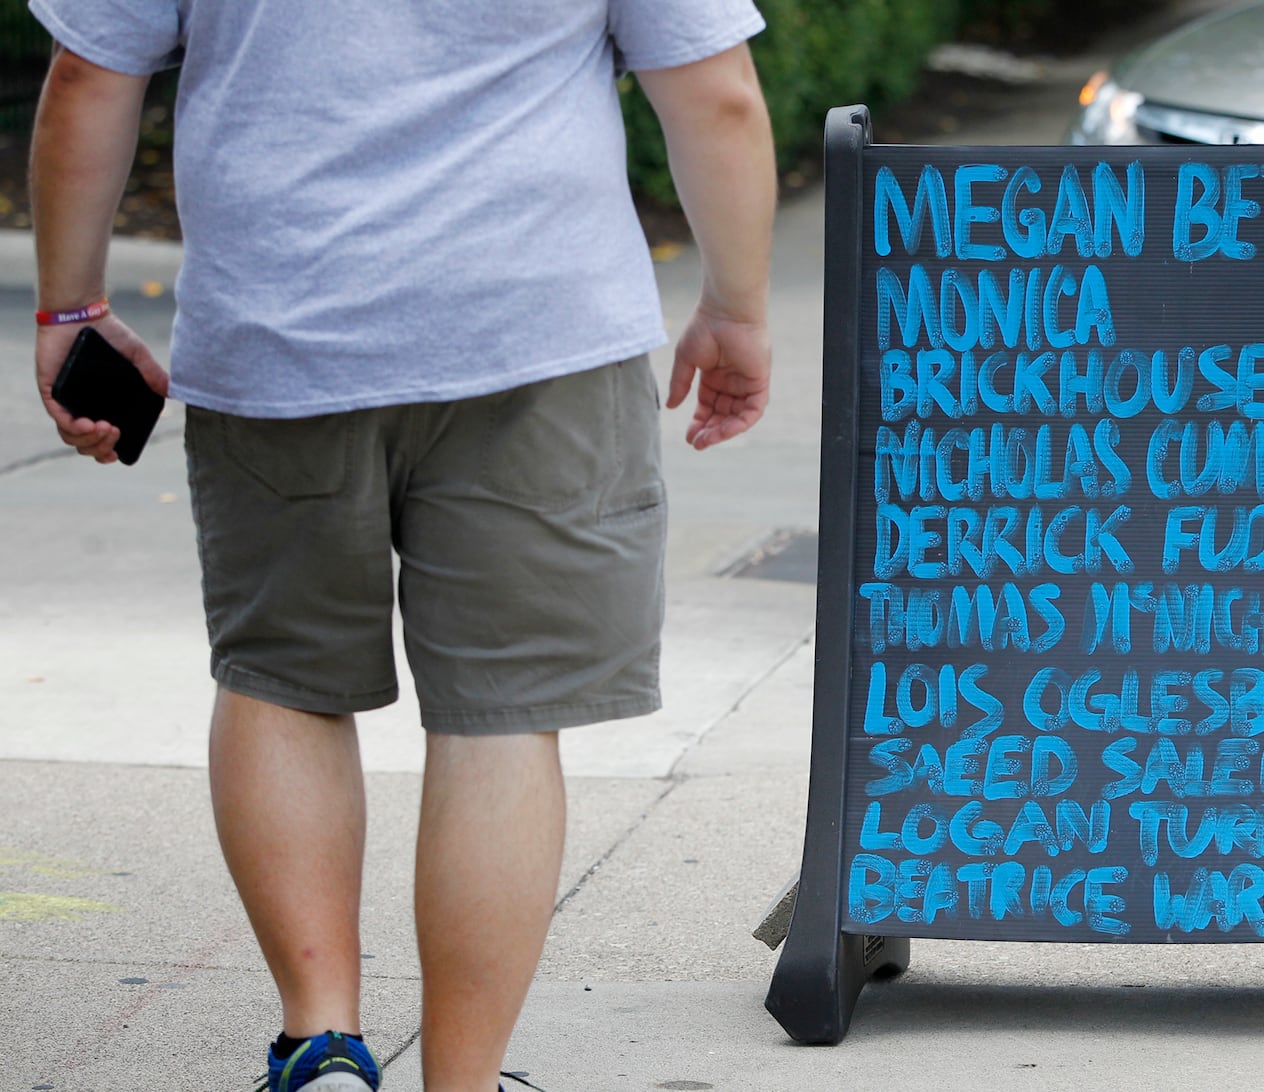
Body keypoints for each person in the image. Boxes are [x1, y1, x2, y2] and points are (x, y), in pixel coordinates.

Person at [27, 1, 775, 1089]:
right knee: (503, 713)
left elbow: (87, 80)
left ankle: (320, 1042)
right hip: (539, 337)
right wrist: (737, 307)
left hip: (281, 336)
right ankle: (461, 1080)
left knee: (284, 680)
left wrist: (70, 310)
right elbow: (716, 92)